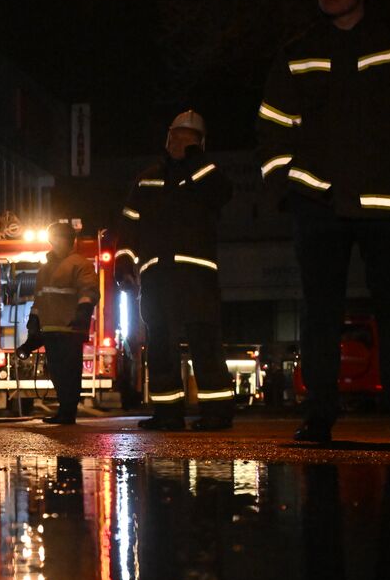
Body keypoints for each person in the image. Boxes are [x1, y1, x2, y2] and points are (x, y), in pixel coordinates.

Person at [256, 0, 390, 446]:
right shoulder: (296, 53)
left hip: (385, 199)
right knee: (320, 313)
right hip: (319, 203)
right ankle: (318, 416)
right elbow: (271, 126)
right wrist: (286, 186)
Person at [115, 110, 236, 430]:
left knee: (205, 341)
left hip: (197, 275)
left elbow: (222, 192)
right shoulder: (147, 178)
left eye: (187, 138)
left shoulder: (206, 174)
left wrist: (195, 160)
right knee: (160, 345)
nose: (178, 142)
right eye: (174, 136)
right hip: (157, 275)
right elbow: (130, 224)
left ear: (200, 144)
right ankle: (167, 413)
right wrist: (124, 260)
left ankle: (217, 413)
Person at [17, 221, 99, 424]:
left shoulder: (80, 264)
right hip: (51, 330)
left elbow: (89, 291)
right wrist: (34, 323)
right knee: (57, 373)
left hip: (70, 329)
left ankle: (68, 412)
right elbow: (40, 299)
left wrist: (83, 311)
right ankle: (64, 410)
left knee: (69, 373)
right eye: (54, 239)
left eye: (59, 239)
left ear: (70, 241)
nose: (56, 243)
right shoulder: (45, 268)